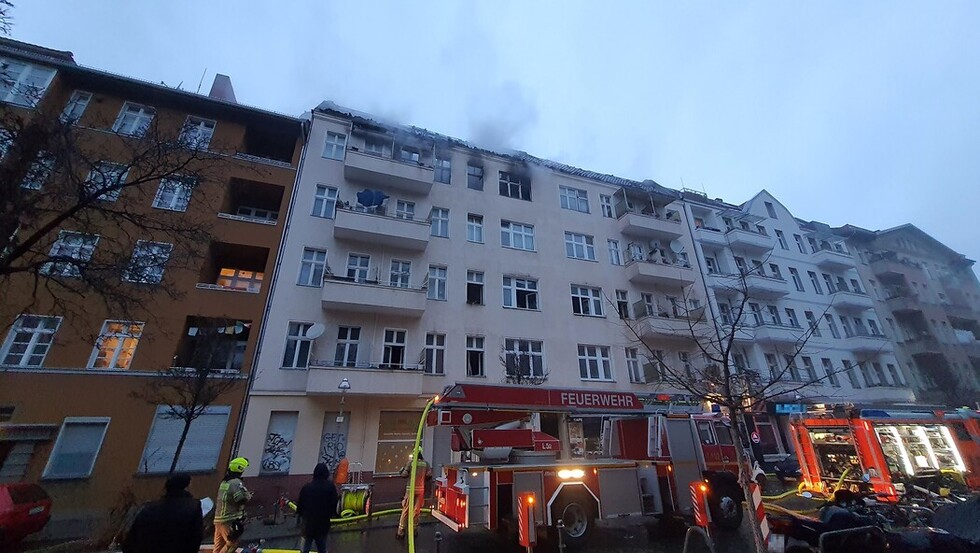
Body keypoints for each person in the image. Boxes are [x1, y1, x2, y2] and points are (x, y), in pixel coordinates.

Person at [122, 474, 203, 553]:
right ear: (186, 487)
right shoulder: (193, 508)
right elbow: (194, 542)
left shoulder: (148, 509)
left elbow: (130, 542)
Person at [296, 462, 339, 553]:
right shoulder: (330, 487)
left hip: (308, 523)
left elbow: (300, 504)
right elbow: (334, 503)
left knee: (305, 547)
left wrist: (301, 516)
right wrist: (332, 514)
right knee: (322, 547)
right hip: (322, 523)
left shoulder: (307, 487)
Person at [213, 457, 253, 553]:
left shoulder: (225, 482)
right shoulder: (236, 482)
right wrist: (249, 495)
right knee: (232, 544)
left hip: (219, 518)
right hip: (229, 519)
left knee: (219, 546)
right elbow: (240, 499)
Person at [396, 450, 431, 540]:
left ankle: (401, 531)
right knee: (416, 511)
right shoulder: (425, 463)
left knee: (406, 510)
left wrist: (401, 470)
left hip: (410, 490)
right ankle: (414, 530)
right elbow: (429, 476)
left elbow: (404, 475)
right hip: (420, 490)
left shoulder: (411, 463)